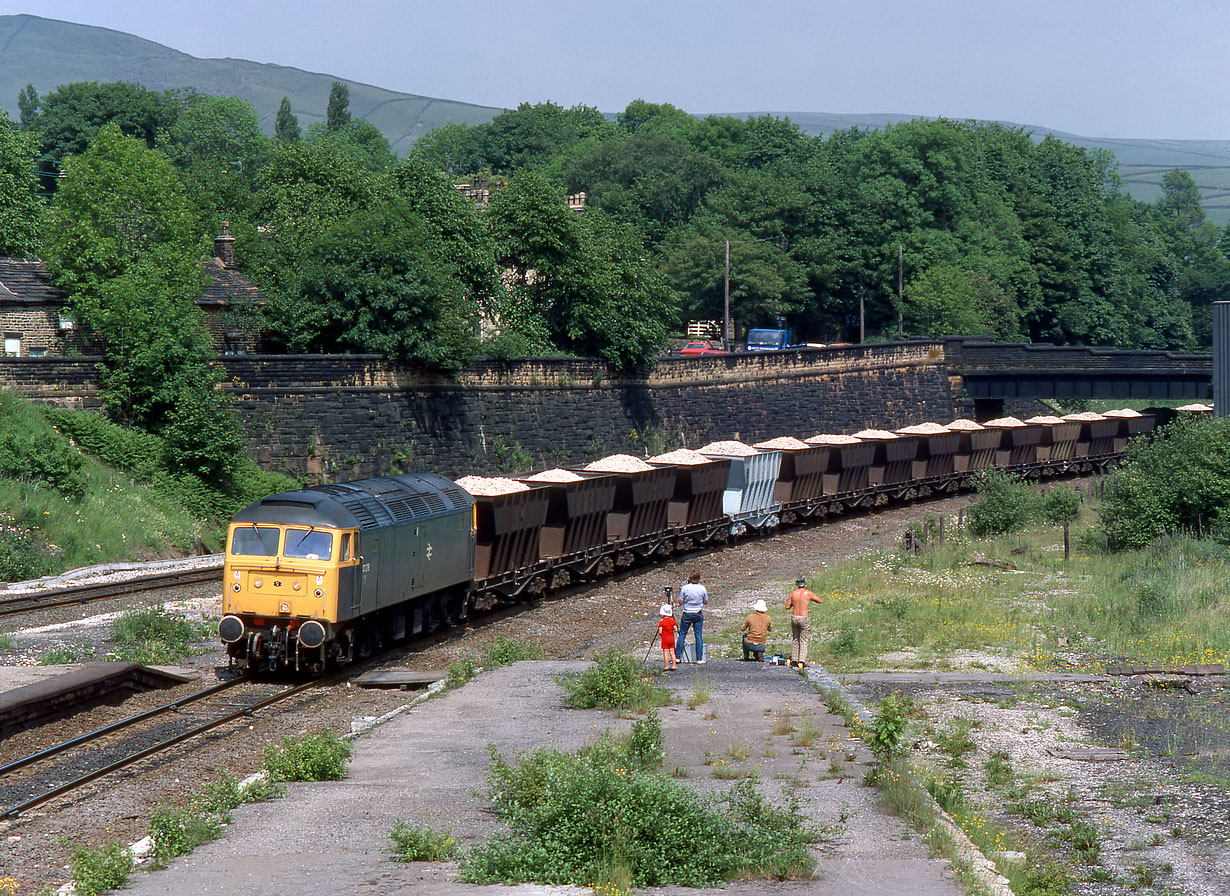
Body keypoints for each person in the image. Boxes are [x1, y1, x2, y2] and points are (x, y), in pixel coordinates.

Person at [784, 577, 822, 668]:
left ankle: (794, 660)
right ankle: (801, 660)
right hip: (803, 617)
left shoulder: (793, 593)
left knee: (795, 639)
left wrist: (794, 603)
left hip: (794, 617)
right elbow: (820, 601)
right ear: (804, 584)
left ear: (796, 584)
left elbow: (787, 607)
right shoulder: (807, 593)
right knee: (804, 639)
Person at [675, 571, 708, 664]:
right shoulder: (702, 588)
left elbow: (680, 602)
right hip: (697, 612)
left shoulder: (685, 588)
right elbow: (706, 602)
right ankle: (699, 658)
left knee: (682, 634)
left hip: (687, 612)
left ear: (690, 578)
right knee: (698, 635)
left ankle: (677, 657)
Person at [657, 604, 678, 671]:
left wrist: (661, 634)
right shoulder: (672, 620)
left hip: (665, 638)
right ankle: (674, 665)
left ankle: (666, 666)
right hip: (671, 637)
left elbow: (660, 631)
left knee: (665, 652)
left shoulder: (661, 622)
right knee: (672, 652)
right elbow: (676, 629)